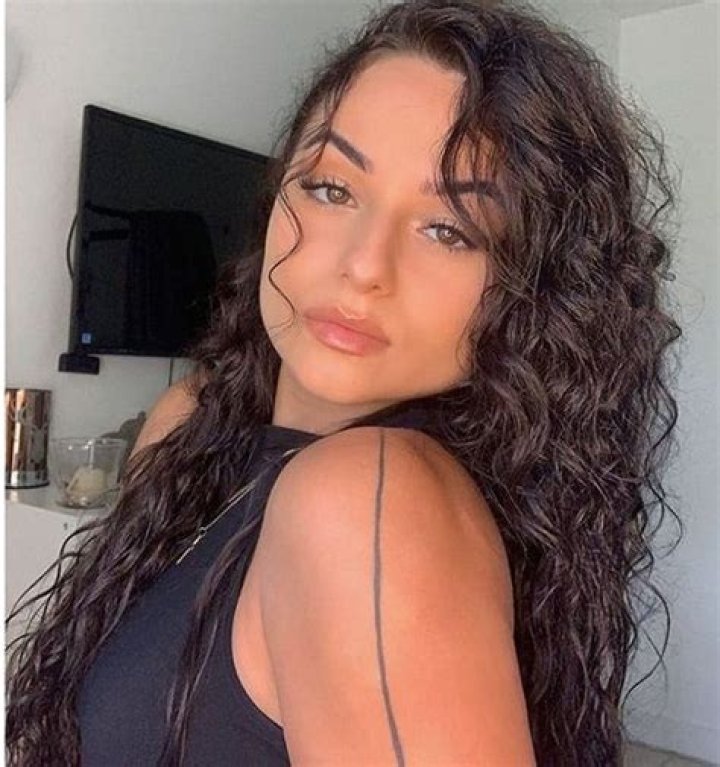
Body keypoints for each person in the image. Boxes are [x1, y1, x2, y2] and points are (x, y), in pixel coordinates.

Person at [5, 1, 683, 765]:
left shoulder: (369, 501)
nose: (364, 265)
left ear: (531, 292)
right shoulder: (189, 424)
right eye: (332, 188)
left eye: (450, 229)